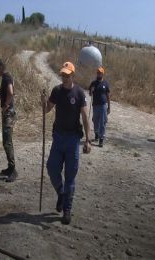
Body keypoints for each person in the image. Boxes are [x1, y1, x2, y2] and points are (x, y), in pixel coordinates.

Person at [41, 61, 91, 225]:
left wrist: (88, 140)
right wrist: (43, 102)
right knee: (51, 168)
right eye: (63, 74)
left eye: (67, 75)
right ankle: (61, 194)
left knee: (70, 176)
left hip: (73, 140)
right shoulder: (57, 91)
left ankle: (67, 210)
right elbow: (47, 109)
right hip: (58, 137)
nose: (64, 77)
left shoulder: (79, 93)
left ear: (73, 75)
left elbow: (84, 116)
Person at [0, 59, 18, 182]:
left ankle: (13, 170)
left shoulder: (7, 77)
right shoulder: (7, 77)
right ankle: (10, 167)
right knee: (6, 140)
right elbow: (6, 92)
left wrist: (6, 105)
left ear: (1, 67)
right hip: (8, 113)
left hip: (8, 113)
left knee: (7, 141)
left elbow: (11, 92)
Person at [89, 67, 110, 147]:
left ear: (102, 74)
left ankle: (101, 139)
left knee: (103, 121)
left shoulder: (105, 83)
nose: (99, 74)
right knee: (95, 120)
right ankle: (96, 133)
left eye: (100, 73)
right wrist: (91, 90)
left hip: (103, 105)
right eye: (98, 73)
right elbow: (90, 94)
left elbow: (108, 95)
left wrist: (109, 107)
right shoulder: (93, 83)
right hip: (95, 105)